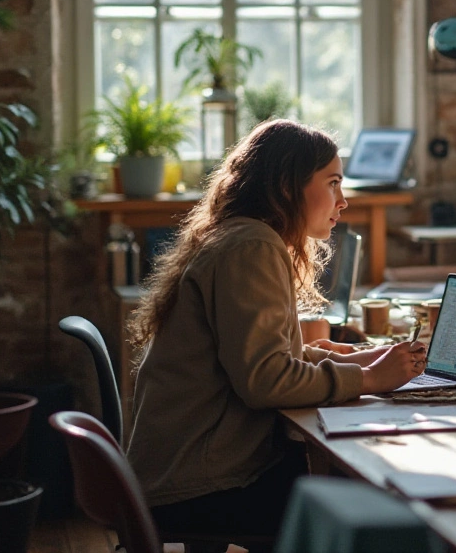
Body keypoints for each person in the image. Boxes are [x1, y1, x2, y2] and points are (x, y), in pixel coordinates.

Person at [126, 120, 425, 544]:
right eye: (333, 183)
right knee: (371, 506)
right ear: (288, 186)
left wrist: (352, 360)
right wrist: (371, 378)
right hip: (202, 479)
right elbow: (266, 381)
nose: (343, 201)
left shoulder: (240, 234)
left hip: (189, 462)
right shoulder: (253, 245)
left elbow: (269, 356)